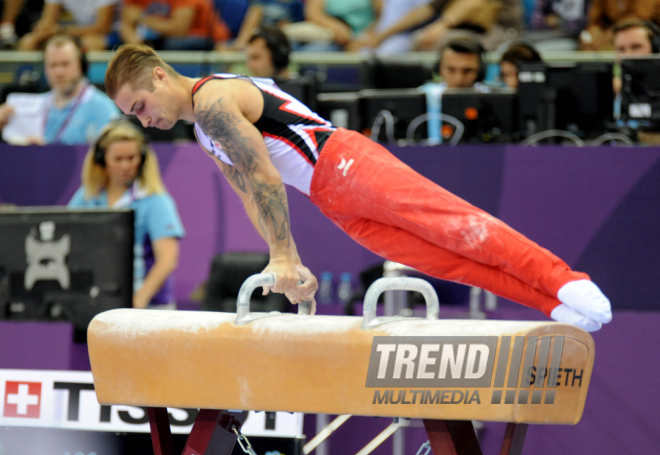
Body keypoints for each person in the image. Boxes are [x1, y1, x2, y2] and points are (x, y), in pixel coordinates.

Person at [104, 44, 613, 331]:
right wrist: (288, 257)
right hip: (333, 201)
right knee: (446, 261)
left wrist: (282, 256)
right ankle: (551, 304)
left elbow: (263, 175)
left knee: (459, 228)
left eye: (140, 107)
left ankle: (562, 278)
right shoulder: (202, 130)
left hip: (345, 163)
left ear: (158, 76)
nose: (143, 121)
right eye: (133, 116)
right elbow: (248, 194)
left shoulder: (214, 100)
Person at [68, 121, 185, 309]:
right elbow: (67, 238)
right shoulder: (87, 196)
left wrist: (139, 299)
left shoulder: (155, 200)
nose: (126, 165)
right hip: (99, 303)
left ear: (142, 159)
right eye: (118, 159)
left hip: (149, 308)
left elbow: (168, 259)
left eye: (132, 158)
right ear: (101, 159)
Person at [0, 34, 120, 144]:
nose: (58, 72)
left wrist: (48, 152)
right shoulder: (32, 106)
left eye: (65, 64)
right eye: (52, 65)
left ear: (81, 65)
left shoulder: (103, 107)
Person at [361, 0, 522, 52]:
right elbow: (427, 10)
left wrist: (440, 27)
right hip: (463, 27)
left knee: (447, 41)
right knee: (419, 38)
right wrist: (381, 35)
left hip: (500, 29)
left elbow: (474, 3)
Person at [119, 0, 230, 50]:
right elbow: (126, 24)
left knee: (171, 45)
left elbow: (178, 30)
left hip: (206, 40)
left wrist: (142, 17)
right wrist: (136, 44)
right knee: (122, 46)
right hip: (160, 40)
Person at [17, 0, 117, 51]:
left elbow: (103, 27)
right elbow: (48, 20)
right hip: (75, 31)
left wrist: (60, 31)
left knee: (92, 44)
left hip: (113, 33)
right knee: (28, 42)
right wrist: (42, 29)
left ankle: (90, 86)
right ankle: (30, 82)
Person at [579, 0, 660, 51]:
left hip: (641, 31)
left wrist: (608, 35)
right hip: (609, 37)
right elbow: (594, 21)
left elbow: (640, 16)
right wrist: (591, 38)